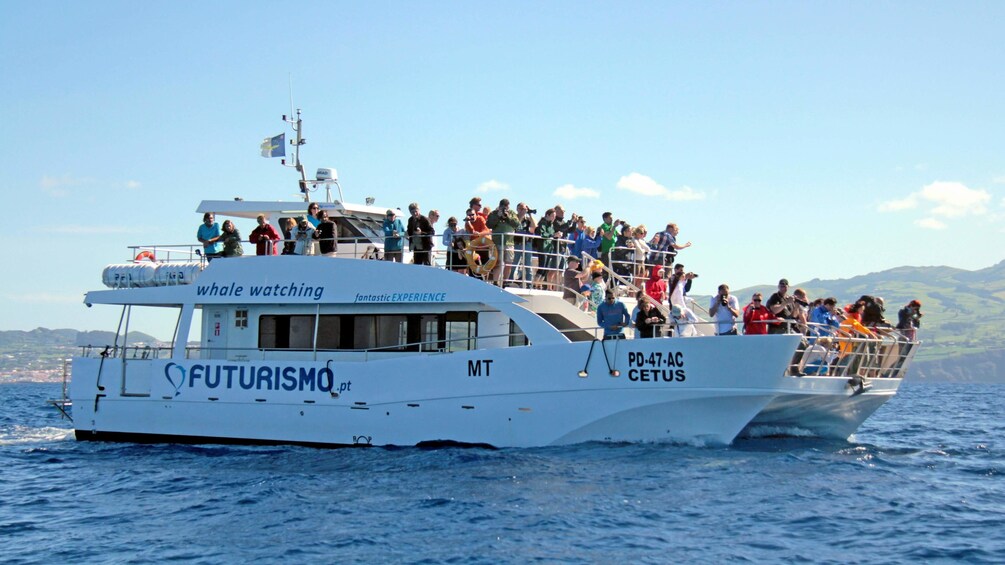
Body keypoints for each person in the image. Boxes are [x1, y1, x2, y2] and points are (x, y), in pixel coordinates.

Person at [486, 198, 521, 283]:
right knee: (498, 262)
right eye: (503, 206)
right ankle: (495, 281)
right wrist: (498, 216)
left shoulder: (512, 213)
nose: (505, 208)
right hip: (498, 242)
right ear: (500, 206)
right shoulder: (494, 213)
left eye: (507, 207)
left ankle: (505, 282)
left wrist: (507, 216)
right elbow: (489, 224)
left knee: (509, 263)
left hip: (509, 242)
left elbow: (517, 224)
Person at [533, 209, 560, 289]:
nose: (554, 218)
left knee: (545, 268)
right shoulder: (542, 223)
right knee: (542, 267)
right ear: (547, 215)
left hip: (549, 248)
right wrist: (553, 235)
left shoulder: (551, 225)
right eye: (552, 216)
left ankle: (539, 284)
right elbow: (542, 233)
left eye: (554, 217)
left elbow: (550, 234)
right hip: (543, 248)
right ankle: (535, 284)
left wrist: (556, 235)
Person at [512, 203, 537, 287]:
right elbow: (515, 225)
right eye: (521, 209)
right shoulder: (514, 218)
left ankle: (529, 285)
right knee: (513, 264)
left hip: (527, 243)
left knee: (528, 265)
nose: (522, 211)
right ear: (517, 209)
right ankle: (509, 281)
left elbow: (534, 226)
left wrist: (529, 213)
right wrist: (521, 216)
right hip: (517, 243)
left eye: (524, 209)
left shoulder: (528, 219)